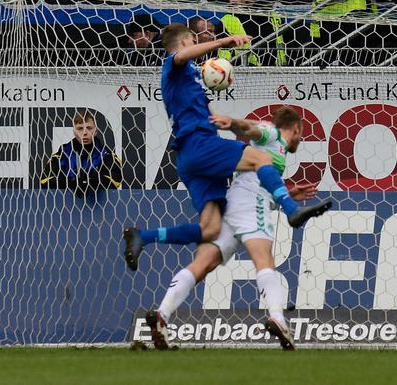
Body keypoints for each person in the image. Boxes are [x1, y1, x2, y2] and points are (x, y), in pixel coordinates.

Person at [123, 23, 331, 271]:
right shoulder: (173, 64)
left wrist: (226, 120)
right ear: (188, 40)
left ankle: (142, 237)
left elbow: (204, 106)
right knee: (261, 159)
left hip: (190, 156)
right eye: (193, 39)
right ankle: (292, 210)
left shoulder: (191, 75)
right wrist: (224, 42)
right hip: (199, 144)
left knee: (210, 229)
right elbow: (179, 56)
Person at [144, 106, 313, 351]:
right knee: (264, 260)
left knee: (203, 263)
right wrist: (232, 122)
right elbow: (251, 129)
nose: (301, 139)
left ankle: (162, 314)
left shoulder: (274, 152)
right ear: (296, 128)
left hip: (232, 203)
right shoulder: (273, 133)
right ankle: (277, 317)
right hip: (251, 203)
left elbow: (256, 176)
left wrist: (287, 193)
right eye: (301, 134)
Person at [40, 110, 122, 193]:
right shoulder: (62, 154)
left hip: (99, 204)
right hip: (66, 204)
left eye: (89, 128)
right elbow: (45, 181)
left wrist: (90, 182)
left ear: (96, 131)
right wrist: (73, 183)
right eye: (80, 128)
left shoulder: (106, 154)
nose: (85, 133)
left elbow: (115, 181)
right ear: (74, 132)